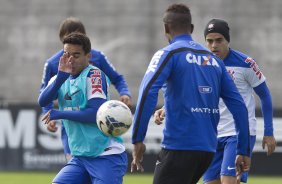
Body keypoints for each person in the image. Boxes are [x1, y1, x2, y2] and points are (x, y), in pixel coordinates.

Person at [130, 4, 251, 184]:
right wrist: (243, 150)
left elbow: (148, 91)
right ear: (192, 29)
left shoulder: (168, 54)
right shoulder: (215, 61)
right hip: (207, 151)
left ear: (166, 29)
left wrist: (138, 138)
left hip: (179, 147)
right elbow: (239, 106)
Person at [154, 19, 277, 184]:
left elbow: (265, 95)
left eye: (219, 40)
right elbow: (192, 94)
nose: (213, 45)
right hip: (211, 135)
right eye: (209, 41)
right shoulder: (203, 64)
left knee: (229, 181)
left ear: (228, 40)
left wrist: (268, 132)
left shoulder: (246, 64)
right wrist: (166, 108)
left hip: (238, 133)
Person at [38, 32, 127, 184]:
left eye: (76, 55)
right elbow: (43, 100)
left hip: (105, 155)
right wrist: (60, 78)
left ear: (88, 56)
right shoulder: (60, 77)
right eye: (66, 54)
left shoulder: (94, 76)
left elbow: (94, 114)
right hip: (80, 158)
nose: (70, 60)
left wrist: (60, 113)